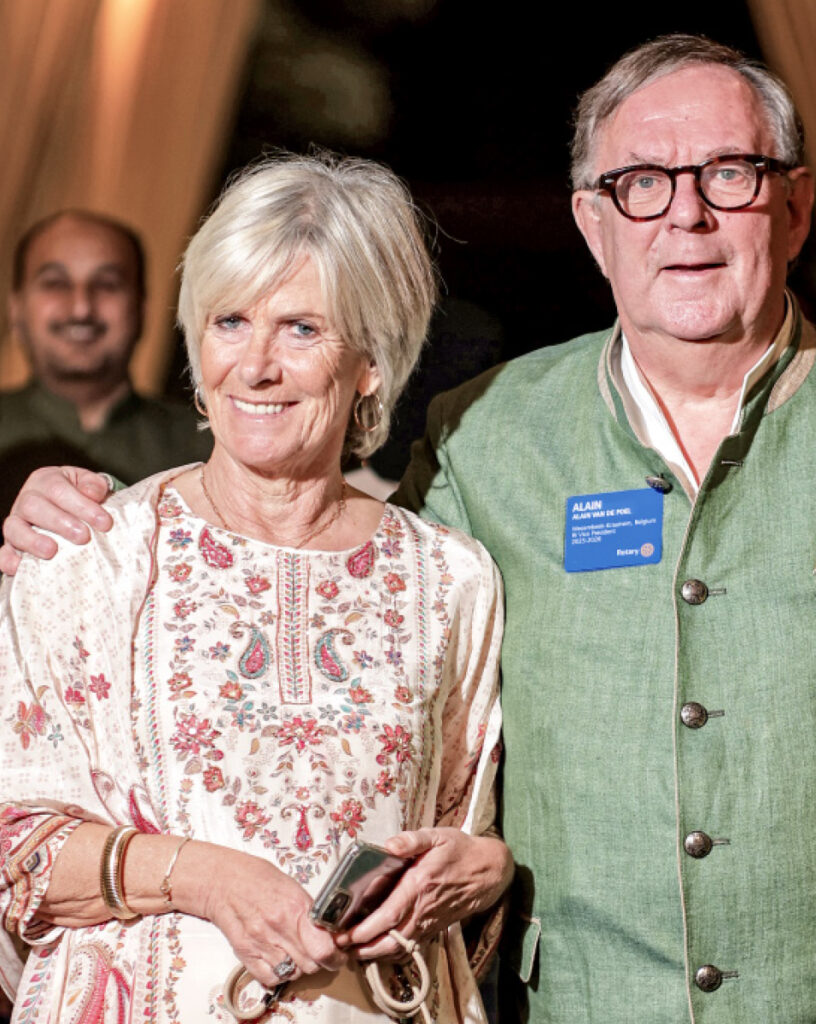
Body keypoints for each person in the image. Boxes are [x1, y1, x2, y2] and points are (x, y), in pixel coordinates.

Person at [4, 33, 816, 1024]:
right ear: (592, 222)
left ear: (797, 206)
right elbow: (278, 549)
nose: (685, 213)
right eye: (643, 183)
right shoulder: (487, 438)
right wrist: (76, 522)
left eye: (729, 174)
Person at [0, 152, 511, 1023]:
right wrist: (209, 879)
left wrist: (484, 869)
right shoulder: (87, 553)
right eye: (229, 322)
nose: (256, 365)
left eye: (301, 329)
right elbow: (17, 848)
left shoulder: (453, 580)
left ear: (370, 362)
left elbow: (465, 839)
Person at [0, 210, 211, 515]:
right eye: (55, 283)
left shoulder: (210, 448)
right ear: (15, 309)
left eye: (107, 284)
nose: (81, 308)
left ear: (142, 310)